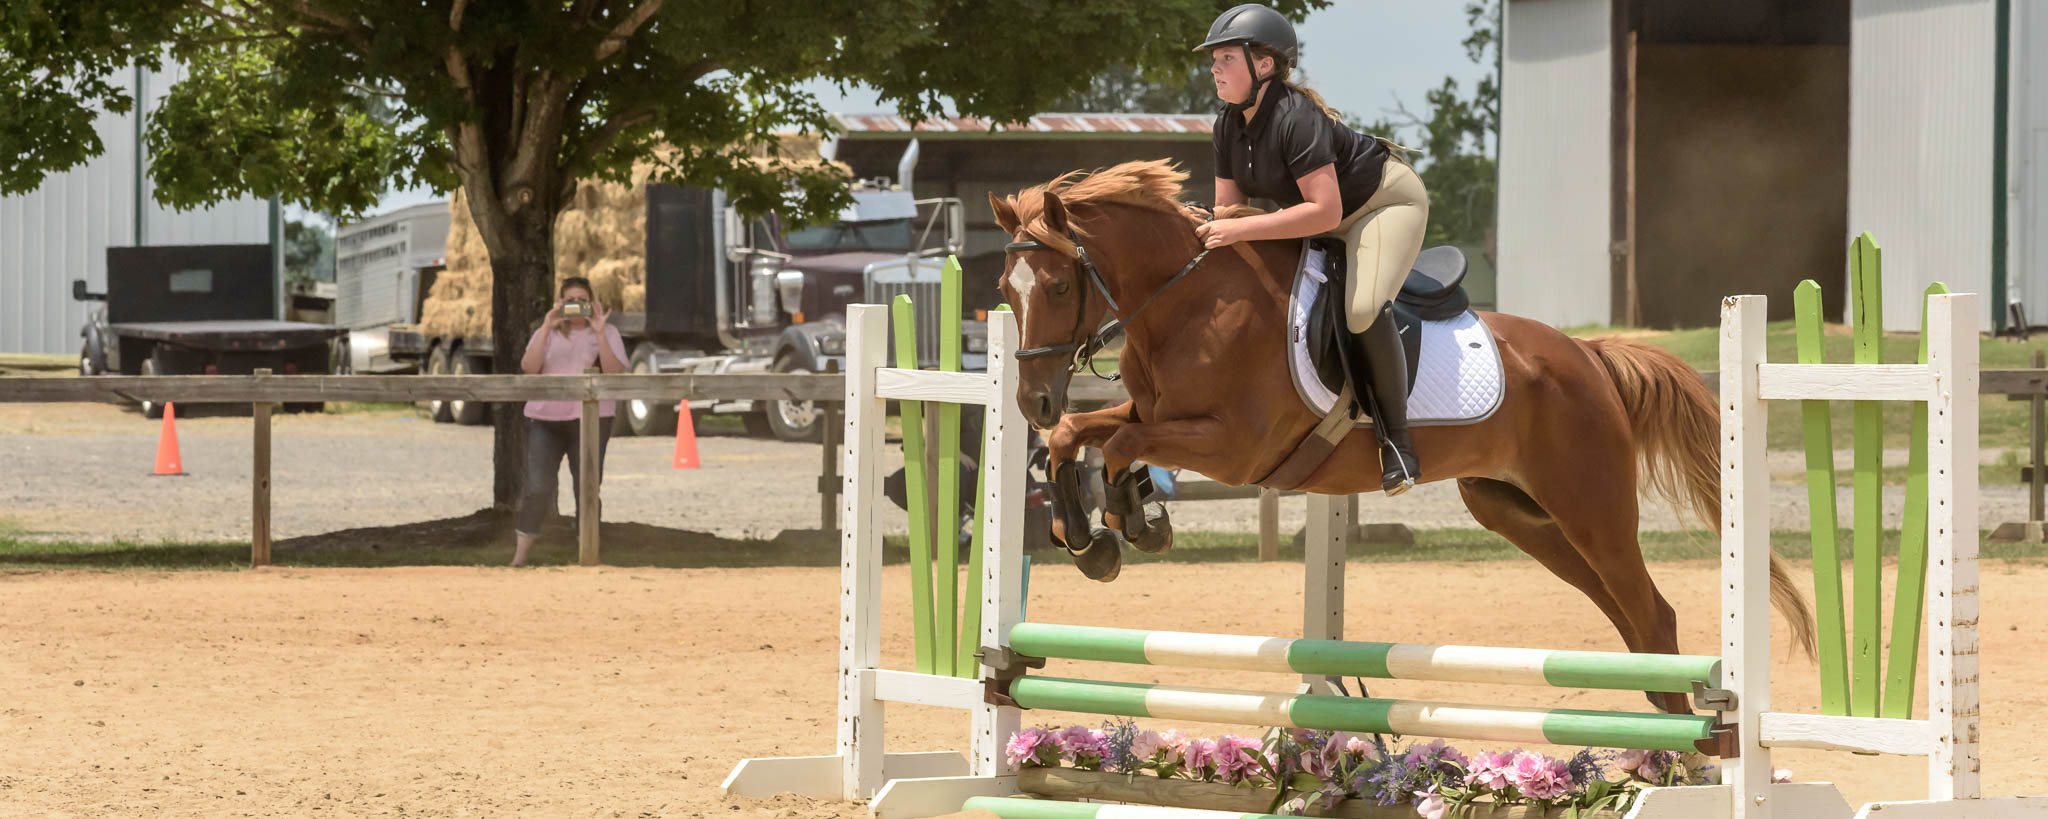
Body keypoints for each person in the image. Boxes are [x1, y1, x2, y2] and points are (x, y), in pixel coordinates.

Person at [1191, 3, 1430, 495]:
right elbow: (1229, 213)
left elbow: (1324, 211)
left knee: (1362, 310)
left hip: (1380, 206)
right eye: (1214, 59)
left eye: (1226, 58)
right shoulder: (1226, 125)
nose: (1214, 67)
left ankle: (1398, 446)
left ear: (1264, 65)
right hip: (1322, 219)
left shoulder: (1295, 117)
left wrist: (1235, 230)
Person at [511, 277, 629, 566]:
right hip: (545, 418)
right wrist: (546, 326)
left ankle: (587, 552)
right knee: (538, 486)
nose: (576, 306)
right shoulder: (547, 332)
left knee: (587, 486)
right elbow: (529, 368)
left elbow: (614, 373)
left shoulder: (608, 332)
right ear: (560, 303)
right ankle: (520, 556)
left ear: (592, 302)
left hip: (591, 419)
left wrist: (599, 332)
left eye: (582, 300)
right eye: (570, 300)